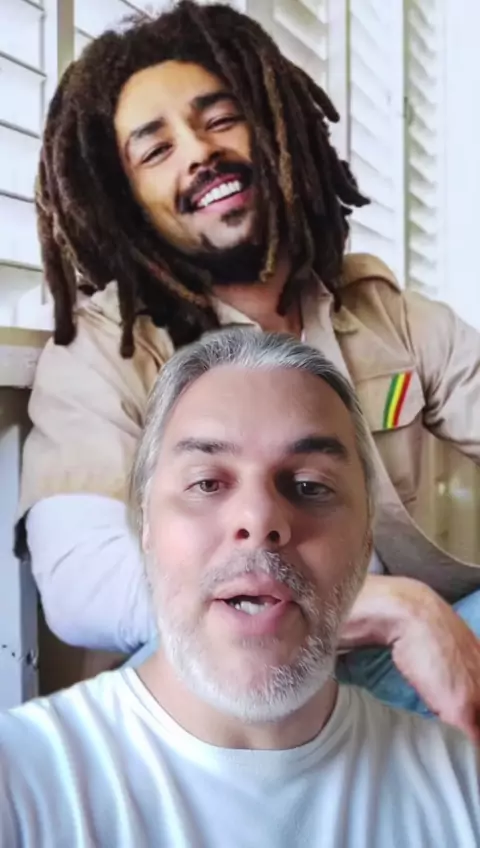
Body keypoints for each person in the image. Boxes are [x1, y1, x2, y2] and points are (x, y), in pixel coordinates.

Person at [18, 1, 480, 728]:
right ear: (127, 199)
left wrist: (424, 618)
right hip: (239, 686)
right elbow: (83, 583)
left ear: (274, 130)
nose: (199, 152)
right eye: (156, 150)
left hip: (429, 666)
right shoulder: (107, 350)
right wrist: (377, 606)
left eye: (221, 118)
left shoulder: (391, 316)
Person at [3, 329, 480, 848]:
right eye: (207, 483)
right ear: (145, 524)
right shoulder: (25, 782)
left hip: (411, 678)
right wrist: (388, 604)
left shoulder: (392, 318)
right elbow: (84, 585)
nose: (258, 519)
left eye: (309, 486)